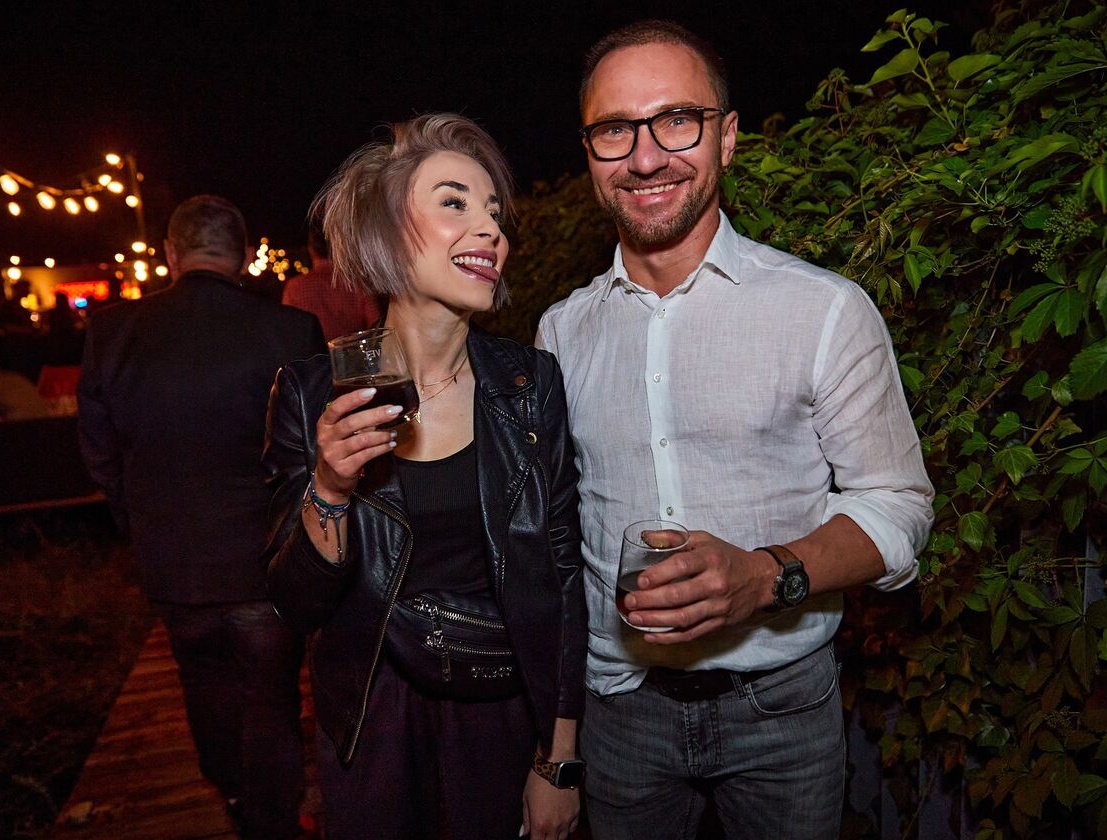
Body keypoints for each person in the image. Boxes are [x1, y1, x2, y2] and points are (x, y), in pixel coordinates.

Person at [535, 21, 935, 839]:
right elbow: (555, 537)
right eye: (615, 130)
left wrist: (762, 576)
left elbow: (897, 506)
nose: (645, 156)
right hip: (621, 712)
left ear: (727, 137)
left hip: (782, 710)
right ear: (589, 154)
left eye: (677, 120)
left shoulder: (823, 310)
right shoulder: (561, 333)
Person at [263, 113, 587, 840]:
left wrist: (559, 758)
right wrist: (330, 487)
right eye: (454, 202)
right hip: (372, 723)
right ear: (385, 232)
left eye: (494, 212)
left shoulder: (530, 384)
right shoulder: (313, 395)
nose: (491, 229)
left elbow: (564, 577)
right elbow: (293, 602)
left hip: (500, 713)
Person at [77, 195, 324, 839]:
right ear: (242, 257)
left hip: (173, 556)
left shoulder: (113, 332)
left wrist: (138, 520)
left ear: (170, 253)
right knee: (271, 692)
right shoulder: (290, 331)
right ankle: (274, 818)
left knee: (203, 682)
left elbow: (99, 452)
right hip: (262, 559)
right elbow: (313, 454)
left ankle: (235, 795)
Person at [281, 220, 380, 340]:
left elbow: (288, 330)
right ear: (338, 247)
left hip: (312, 351)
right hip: (350, 350)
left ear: (311, 249)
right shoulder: (356, 283)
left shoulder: (294, 287)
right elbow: (376, 324)